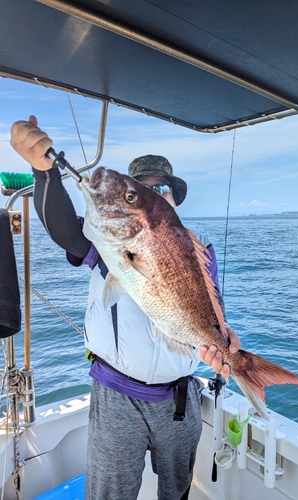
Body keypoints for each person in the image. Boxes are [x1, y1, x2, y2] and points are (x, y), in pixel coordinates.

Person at [10, 116, 241, 500]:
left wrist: (225, 338)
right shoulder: (105, 242)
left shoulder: (201, 253)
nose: (153, 191)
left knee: (178, 492)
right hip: (116, 398)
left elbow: (207, 314)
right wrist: (44, 173)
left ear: (171, 198)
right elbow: (65, 230)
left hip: (181, 401)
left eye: (161, 187)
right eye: (139, 189)